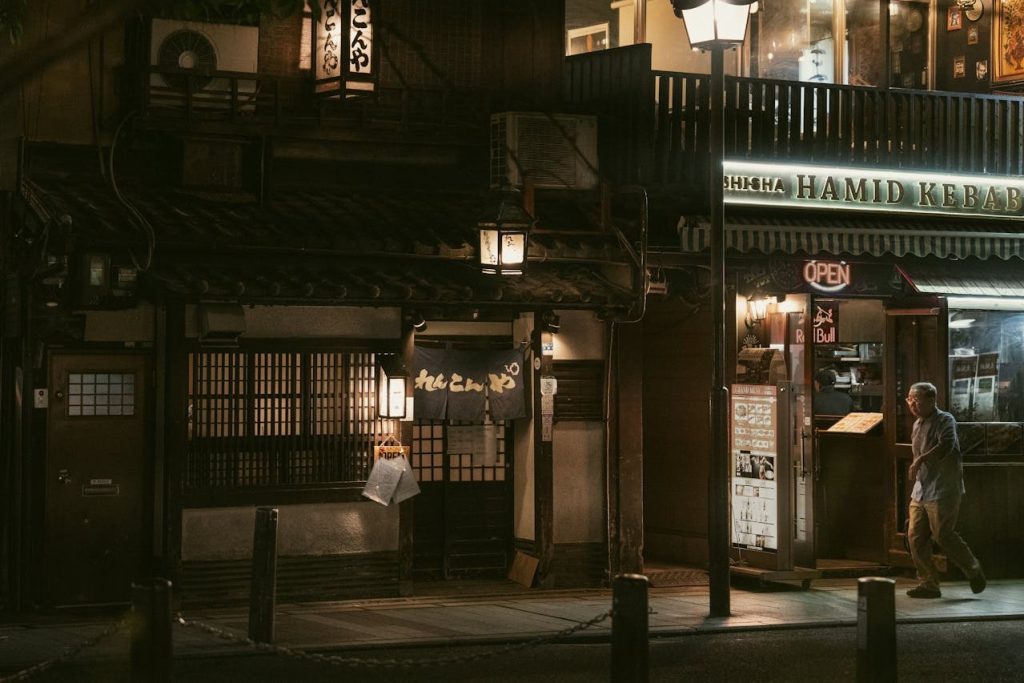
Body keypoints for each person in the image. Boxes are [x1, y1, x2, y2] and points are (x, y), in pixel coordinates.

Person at [905, 381, 986, 599]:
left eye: (916, 400)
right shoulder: (917, 424)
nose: (912, 404)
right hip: (921, 489)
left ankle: (972, 568)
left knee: (943, 534)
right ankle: (928, 583)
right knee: (915, 537)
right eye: (909, 400)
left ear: (932, 400)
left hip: (943, 487)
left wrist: (921, 459)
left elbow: (946, 445)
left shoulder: (945, 420)